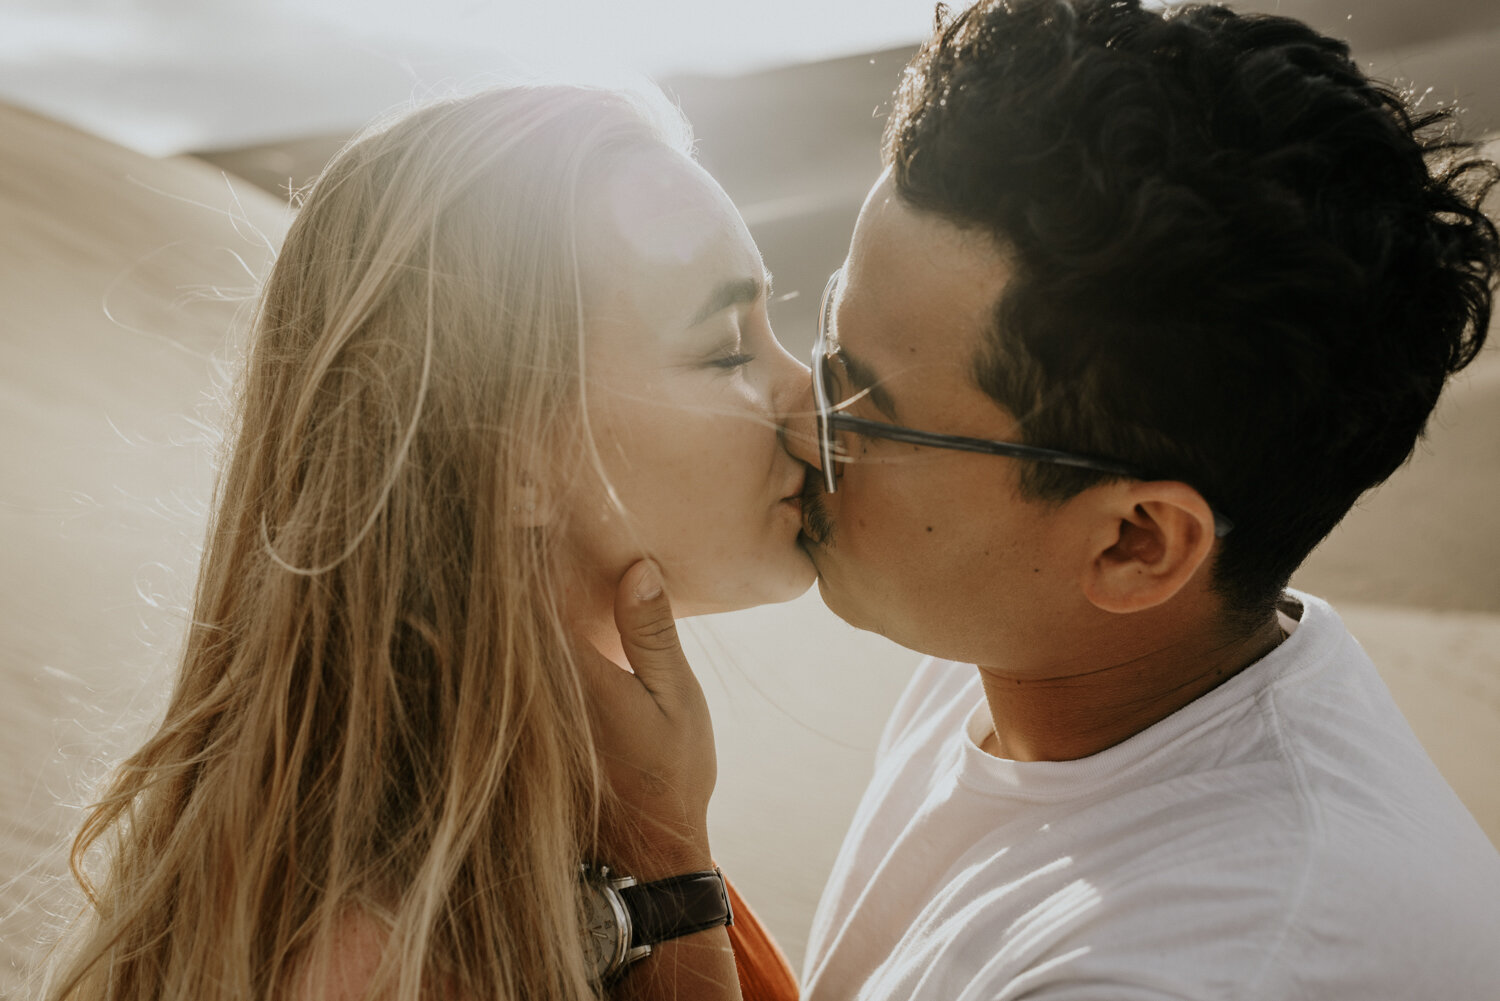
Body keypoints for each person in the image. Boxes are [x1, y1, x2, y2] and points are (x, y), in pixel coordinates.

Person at [595, 1, 1500, 998]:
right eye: (828, 346)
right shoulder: (1040, 647)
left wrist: (660, 855)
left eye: (866, 408)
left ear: (1134, 544)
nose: (800, 427)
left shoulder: (1210, 962)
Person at [43, 85, 811, 1001]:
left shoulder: (582, 825)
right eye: (728, 349)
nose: (805, 394)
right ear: (511, 452)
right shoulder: (391, 961)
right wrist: (671, 875)